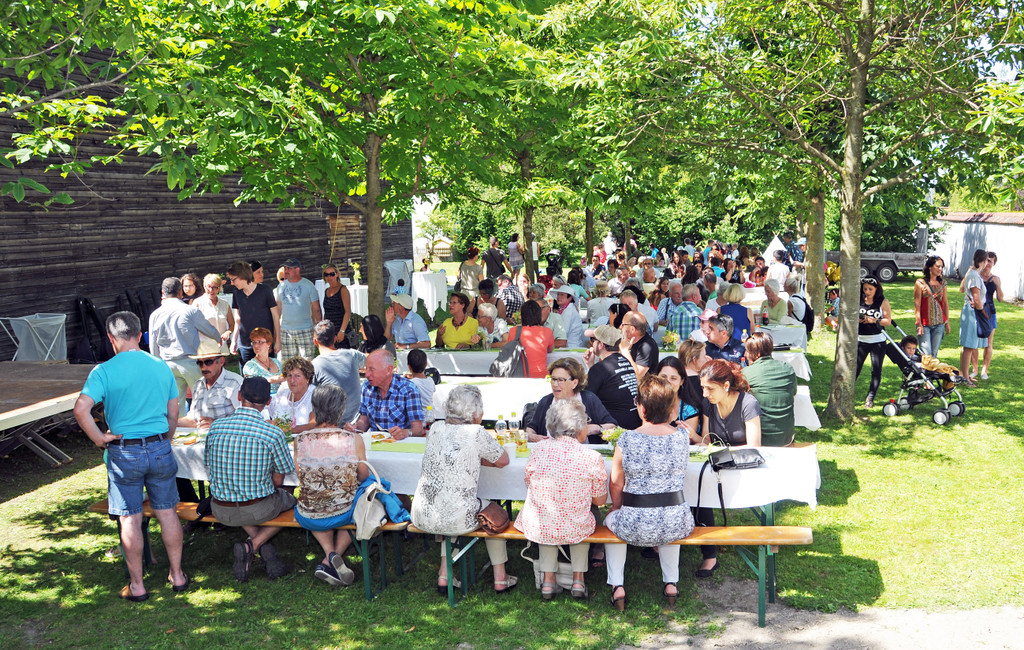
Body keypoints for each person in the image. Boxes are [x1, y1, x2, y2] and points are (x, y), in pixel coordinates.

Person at [73, 311, 187, 601]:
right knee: (167, 512)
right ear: (139, 335)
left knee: (129, 518)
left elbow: (81, 409)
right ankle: (177, 575)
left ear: (111, 339)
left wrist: (99, 438)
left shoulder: (103, 371)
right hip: (159, 445)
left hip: (124, 450)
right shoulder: (160, 366)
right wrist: (166, 438)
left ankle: (138, 585)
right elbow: (173, 411)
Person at [410, 385, 517, 595]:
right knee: (492, 512)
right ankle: (500, 578)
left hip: (423, 513)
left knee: (451, 503)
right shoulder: (475, 432)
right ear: (475, 412)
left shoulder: (436, 428)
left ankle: (444, 575)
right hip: (454, 516)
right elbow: (503, 460)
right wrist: (479, 459)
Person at [605, 374, 695, 611]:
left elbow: (616, 483)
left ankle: (617, 585)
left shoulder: (626, 439)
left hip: (634, 524)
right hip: (676, 522)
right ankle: (671, 583)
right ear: (670, 409)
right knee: (669, 515)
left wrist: (616, 507)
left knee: (612, 521)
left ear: (641, 408)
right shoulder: (682, 438)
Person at [515, 399, 608, 600]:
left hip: (540, 523)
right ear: (580, 427)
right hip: (575, 524)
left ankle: (548, 581)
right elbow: (600, 501)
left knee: (548, 516)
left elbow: (529, 482)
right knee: (583, 517)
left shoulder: (537, 450)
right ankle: (578, 580)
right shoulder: (591, 457)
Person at [204, 377, 295, 582]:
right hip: (257, 509)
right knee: (293, 504)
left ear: (239, 396)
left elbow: (209, 466)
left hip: (220, 508)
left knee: (244, 500)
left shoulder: (216, 427)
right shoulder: (272, 433)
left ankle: (258, 547)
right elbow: (278, 481)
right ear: (268, 401)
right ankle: (253, 546)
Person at [292, 385, 369, 587]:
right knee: (365, 499)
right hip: (344, 512)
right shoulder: (353, 439)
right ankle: (332, 557)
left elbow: (301, 476)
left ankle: (329, 555)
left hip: (308, 513)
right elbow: (363, 474)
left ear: (314, 408)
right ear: (341, 409)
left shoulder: (300, 440)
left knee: (317, 501)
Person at [696, 359, 762, 576]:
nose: (705, 394)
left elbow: (754, 446)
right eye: (703, 388)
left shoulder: (748, 403)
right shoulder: (708, 404)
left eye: (710, 389)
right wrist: (694, 438)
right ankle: (709, 554)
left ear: (726, 386)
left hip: (745, 468)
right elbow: (707, 440)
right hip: (718, 465)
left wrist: (719, 451)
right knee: (698, 492)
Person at [149, 277, 231, 413]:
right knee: (203, 401)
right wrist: (219, 338)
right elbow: (209, 330)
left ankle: (178, 426)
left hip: (167, 363)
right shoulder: (190, 311)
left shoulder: (155, 315)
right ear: (180, 292)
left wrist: (158, 365)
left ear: (163, 293)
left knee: (175, 405)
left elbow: (153, 343)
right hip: (190, 362)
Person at [525, 357, 617, 442]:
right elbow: (531, 428)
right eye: (553, 379)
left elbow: (613, 427)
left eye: (561, 380)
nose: (555, 384)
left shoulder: (589, 399)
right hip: (552, 452)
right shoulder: (546, 401)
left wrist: (597, 429)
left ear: (574, 383)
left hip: (584, 452)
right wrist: (532, 436)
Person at [346, 349, 425, 439]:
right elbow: (364, 421)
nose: (367, 374)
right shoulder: (366, 387)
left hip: (400, 444)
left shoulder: (408, 389)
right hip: (375, 442)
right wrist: (355, 428)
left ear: (389, 370)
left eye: (372, 369)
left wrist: (406, 432)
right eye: (366, 369)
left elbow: (418, 430)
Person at [741, 332, 797, 447]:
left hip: (760, 440)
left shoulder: (746, 373)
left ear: (757, 354)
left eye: (747, 351)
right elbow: (793, 394)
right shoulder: (788, 368)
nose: (745, 354)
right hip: (786, 437)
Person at [582, 324, 641, 430]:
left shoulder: (601, 368)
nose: (591, 344)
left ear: (601, 345)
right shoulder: (625, 361)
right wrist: (590, 365)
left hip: (615, 426)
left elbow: (585, 399)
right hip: (634, 421)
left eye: (593, 340)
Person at [311, 319, 366, 424]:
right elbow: (371, 360)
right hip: (358, 422)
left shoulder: (314, 365)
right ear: (335, 339)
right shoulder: (352, 355)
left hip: (331, 425)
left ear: (315, 341)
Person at [227, 260, 282, 364]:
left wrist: (278, 340)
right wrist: (234, 340)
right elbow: (237, 319)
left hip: (264, 343)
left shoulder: (265, 290)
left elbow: (275, 316)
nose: (232, 283)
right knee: (246, 373)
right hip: (245, 344)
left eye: (233, 279)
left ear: (242, 276)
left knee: (266, 372)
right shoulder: (236, 293)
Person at [177, 346, 243, 430]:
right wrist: (170, 422)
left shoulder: (235, 383)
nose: (203, 367)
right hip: (200, 435)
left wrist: (216, 424)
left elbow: (245, 418)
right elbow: (192, 419)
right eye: (200, 363)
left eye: (208, 362)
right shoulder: (198, 385)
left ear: (221, 361)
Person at [274, 258, 322, 360]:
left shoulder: (308, 285)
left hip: (305, 329)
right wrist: (276, 331)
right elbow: (278, 309)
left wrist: (318, 329)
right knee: (287, 363)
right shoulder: (281, 286)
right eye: (285, 268)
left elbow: (316, 309)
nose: (286, 271)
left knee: (306, 363)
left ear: (297, 269)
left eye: (289, 268)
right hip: (286, 331)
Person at [856, 277, 892, 407]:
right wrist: (859, 319)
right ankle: (847, 393)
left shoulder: (882, 302)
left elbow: (888, 321)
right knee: (855, 368)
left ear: (876, 289)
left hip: (878, 341)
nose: (867, 292)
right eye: (865, 289)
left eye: (870, 289)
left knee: (876, 370)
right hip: (861, 340)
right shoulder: (859, 300)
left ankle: (870, 398)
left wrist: (874, 320)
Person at [264, 356, 318, 434]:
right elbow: (265, 413)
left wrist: (285, 429)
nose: (292, 380)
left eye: (297, 376)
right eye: (289, 375)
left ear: (307, 378)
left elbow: (314, 425)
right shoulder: (281, 395)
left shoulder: (316, 396)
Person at [958, 249, 989, 386]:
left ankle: (964, 375)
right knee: (969, 346)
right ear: (983, 261)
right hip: (972, 312)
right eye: (987, 260)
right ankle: (965, 377)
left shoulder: (974, 274)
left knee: (969, 346)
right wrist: (983, 314)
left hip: (973, 311)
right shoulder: (974, 275)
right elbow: (976, 298)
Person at [914, 256, 950, 358]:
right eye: (938, 266)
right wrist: (919, 323)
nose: (940, 269)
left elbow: (945, 303)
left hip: (939, 323)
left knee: (934, 354)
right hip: (924, 324)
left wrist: (947, 323)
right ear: (930, 267)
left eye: (942, 267)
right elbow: (917, 304)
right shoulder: (920, 283)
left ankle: (932, 369)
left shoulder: (943, 284)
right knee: (926, 354)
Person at [653, 356, 699, 436]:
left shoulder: (689, 410)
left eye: (673, 378)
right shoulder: (649, 405)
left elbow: (687, 440)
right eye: (663, 377)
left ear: (681, 381)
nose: (668, 382)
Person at [193, 273, 235, 355]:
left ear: (219, 288)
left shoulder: (225, 304)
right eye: (208, 286)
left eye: (215, 287)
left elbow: (232, 324)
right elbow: (192, 326)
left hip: (221, 347)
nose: (211, 290)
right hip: (204, 349)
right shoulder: (197, 303)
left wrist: (228, 332)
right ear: (204, 286)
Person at [514, 300, 555, 378]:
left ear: (522, 316)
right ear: (539, 315)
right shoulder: (547, 331)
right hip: (541, 376)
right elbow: (550, 349)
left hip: (518, 376)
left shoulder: (514, 331)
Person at [980, 252, 1004, 380]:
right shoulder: (976, 275)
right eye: (987, 260)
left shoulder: (995, 279)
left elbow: (1000, 299)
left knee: (988, 343)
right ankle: (974, 369)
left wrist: (998, 285)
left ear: (994, 263)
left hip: (990, 313)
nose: (988, 263)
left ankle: (984, 370)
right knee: (974, 343)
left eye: (991, 261)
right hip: (977, 312)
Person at [242, 327, 284, 395]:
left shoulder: (277, 363)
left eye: (260, 342)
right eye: (254, 342)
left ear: (268, 343)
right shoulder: (250, 366)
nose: (256, 345)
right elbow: (252, 385)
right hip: (262, 398)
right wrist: (270, 380)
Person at [618, 311, 659, 379]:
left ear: (632, 329)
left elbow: (638, 375)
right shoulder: (631, 342)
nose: (620, 327)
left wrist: (625, 351)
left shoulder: (647, 346)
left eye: (623, 325)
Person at [321, 264, 353, 348]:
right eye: (326, 274)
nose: (329, 277)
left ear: (337, 274)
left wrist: (342, 331)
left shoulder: (343, 290)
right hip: (330, 330)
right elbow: (327, 311)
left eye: (332, 274)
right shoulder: (326, 291)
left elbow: (347, 312)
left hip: (341, 329)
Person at [404, 348, 435, 417]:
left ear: (409, 367)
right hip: (430, 414)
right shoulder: (430, 380)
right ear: (426, 364)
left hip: (416, 417)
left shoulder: (410, 384)